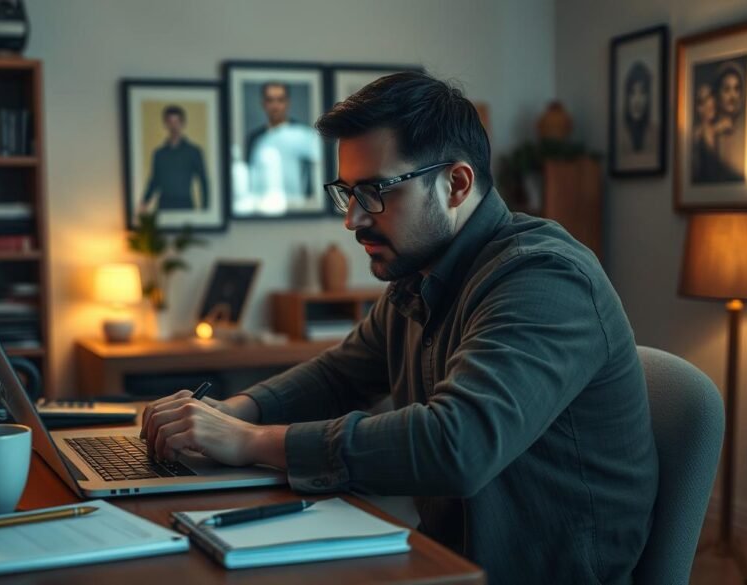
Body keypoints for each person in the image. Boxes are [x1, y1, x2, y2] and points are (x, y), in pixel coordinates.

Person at [142, 70, 658, 584]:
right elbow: (339, 376)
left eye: (374, 192)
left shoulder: (543, 279)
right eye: (348, 194)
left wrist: (251, 441)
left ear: (456, 184)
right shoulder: (420, 274)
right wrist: (224, 414)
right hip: (448, 564)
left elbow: (457, 444)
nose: (353, 221)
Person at [244, 82, 321, 211]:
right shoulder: (254, 138)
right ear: (263, 104)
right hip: (263, 206)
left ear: (287, 103)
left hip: (297, 205)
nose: (275, 106)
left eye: (280, 100)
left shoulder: (303, 134)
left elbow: (316, 170)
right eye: (270, 100)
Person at [140, 105, 208, 212]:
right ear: (165, 124)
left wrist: (206, 208)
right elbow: (154, 181)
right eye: (170, 122)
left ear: (183, 124)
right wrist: (144, 202)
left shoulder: (193, 152)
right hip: (164, 205)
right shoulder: (159, 154)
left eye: (177, 122)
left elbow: (203, 181)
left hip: (185, 204)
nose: (174, 126)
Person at [711, 61, 746, 182]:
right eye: (727, 89)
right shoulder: (708, 133)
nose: (733, 96)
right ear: (717, 94)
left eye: (736, 89)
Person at [622, 61, 652, 152]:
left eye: (642, 93)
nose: (637, 100)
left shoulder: (655, 134)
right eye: (632, 93)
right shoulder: (619, 133)